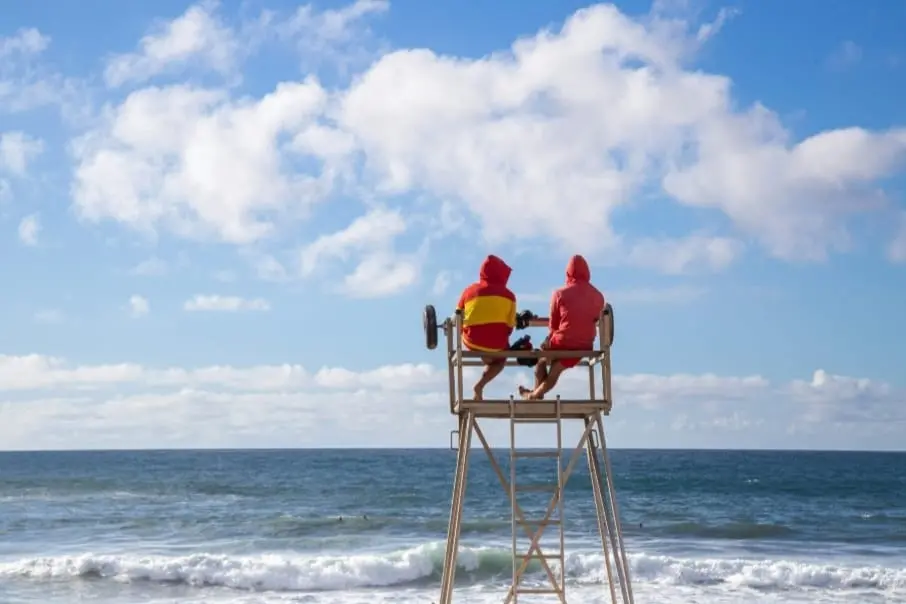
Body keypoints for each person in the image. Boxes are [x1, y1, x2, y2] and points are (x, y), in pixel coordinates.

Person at [519, 254, 605, 400]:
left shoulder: (560, 294)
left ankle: (534, 395)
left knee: (540, 363)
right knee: (556, 370)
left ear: (568, 273)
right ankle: (535, 394)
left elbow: (553, 325)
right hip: (584, 345)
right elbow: (594, 318)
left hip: (563, 341)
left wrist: (548, 341)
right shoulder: (598, 296)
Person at [456, 254, 517, 400]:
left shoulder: (469, 291)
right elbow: (510, 327)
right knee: (500, 359)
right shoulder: (510, 296)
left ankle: (485, 359)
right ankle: (480, 385)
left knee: (488, 348)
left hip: (471, 341)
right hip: (495, 345)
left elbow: (458, 315)